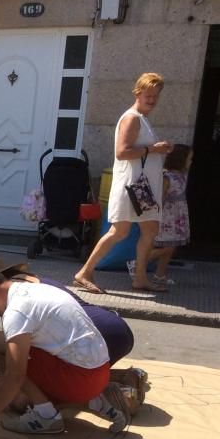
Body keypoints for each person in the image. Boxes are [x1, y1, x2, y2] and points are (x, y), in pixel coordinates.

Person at [0, 265, 130, 439]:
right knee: (18, 399)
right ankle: (92, 400)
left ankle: (46, 415)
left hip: (82, 379)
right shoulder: (37, 289)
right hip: (99, 372)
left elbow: (15, 375)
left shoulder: (17, 311)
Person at [74, 72, 175, 294]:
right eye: (148, 94)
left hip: (141, 188)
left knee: (150, 229)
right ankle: (85, 272)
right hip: (133, 188)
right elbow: (122, 152)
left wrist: (158, 149)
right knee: (119, 231)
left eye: (156, 95)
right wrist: (153, 149)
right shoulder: (132, 118)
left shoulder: (141, 119)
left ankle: (140, 278)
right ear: (138, 93)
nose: (152, 99)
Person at [132, 144, 191, 286]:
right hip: (167, 217)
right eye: (189, 159)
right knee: (167, 246)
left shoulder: (181, 176)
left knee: (173, 245)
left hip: (177, 216)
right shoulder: (167, 177)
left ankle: (160, 274)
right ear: (180, 160)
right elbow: (161, 197)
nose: (191, 162)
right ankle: (137, 264)